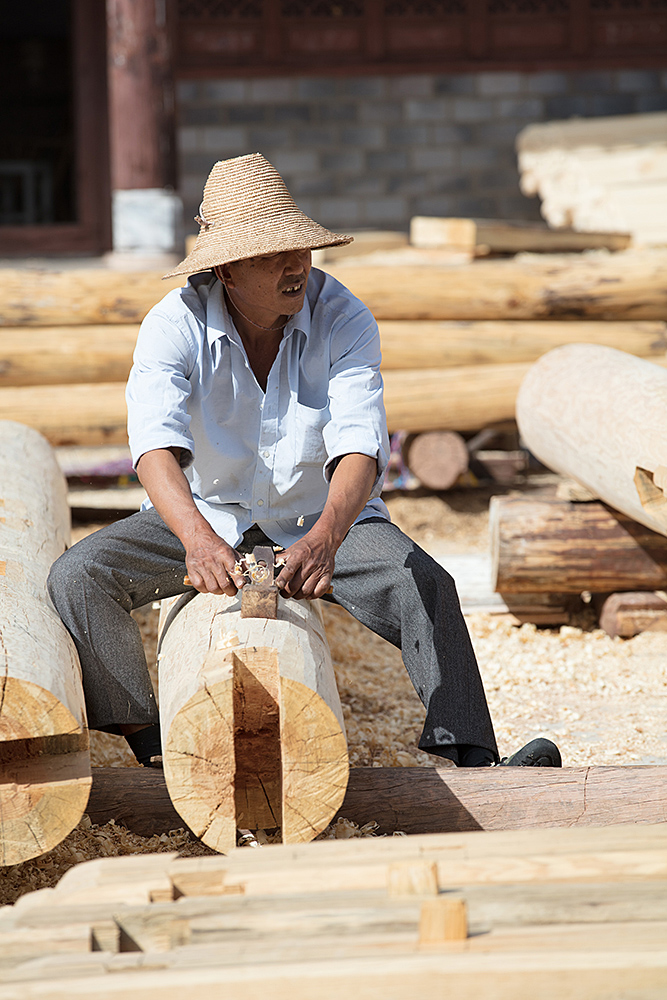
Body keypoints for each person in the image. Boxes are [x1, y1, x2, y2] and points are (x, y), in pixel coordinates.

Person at [48, 153, 560, 772]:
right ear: (228, 270)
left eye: (300, 249)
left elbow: (361, 446)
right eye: (271, 256)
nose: (295, 266)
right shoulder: (172, 326)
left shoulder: (343, 317)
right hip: (211, 512)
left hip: (319, 515)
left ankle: (476, 762)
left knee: (425, 584)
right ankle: (157, 751)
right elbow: (153, 445)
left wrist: (325, 538)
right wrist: (196, 540)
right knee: (79, 577)